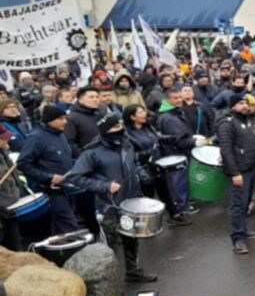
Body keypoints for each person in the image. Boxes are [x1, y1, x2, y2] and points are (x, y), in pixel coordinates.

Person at [68, 114, 158, 282]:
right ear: (105, 131)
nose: (120, 129)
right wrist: (105, 185)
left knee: (132, 239)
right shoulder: (92, 152)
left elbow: (134, 163)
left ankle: (133, 271)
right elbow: (76, 177)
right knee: (110, 245)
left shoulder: (126, 143)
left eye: (120, 126)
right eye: (115, 127)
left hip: (131, 202)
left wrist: (142, 175)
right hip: (109, 206)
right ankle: (110, 281)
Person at [124, 105, 191, 227]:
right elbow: (130, 155)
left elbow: (158, 139)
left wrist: (175, 137)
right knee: (147, 197)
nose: (144, 114)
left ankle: (175, 215)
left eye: (144, 111)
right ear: (132, 116)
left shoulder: (147, 127)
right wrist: (147, 153)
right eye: (140, 112)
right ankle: (143, 225)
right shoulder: (127, 134)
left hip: (158, 165)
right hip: (143, 169)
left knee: (165, 191)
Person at [17, 106, 77, 235]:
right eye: (61, 119)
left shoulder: (60, 134)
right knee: (69, 226)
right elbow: (23, 164)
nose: (65, 121)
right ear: (50, 120)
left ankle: (57, 254)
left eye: (65, 118)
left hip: (67, 187)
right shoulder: (36, 138)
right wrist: (49, 177)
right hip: (51, 191)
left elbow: (65, 158)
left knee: (59, 227)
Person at [217, 94, 255, 254]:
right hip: (239, 171)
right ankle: (237, 238)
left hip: (250, 168)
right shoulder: (226, 123)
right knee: (237, 205)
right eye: (241, 103)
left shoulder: (243, 120)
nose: (245, 106)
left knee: (245, 203)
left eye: (246, 103)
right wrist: (235, 173)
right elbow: (226, 150)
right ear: (233, 105)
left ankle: (243, 229)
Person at [155, 88, 202, 215]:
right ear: (167, 100)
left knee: (181, 181)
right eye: (175, 98)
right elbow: (179, 140)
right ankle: (182, 206)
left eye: (180, 97)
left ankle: (183, 203)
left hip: (178, 153)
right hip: (175, 155)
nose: (179, 100)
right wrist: (195, 142)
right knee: (178, 183)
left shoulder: (175, 113)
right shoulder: (169, 118)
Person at [0, 124, 22, 250]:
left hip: (10, 204)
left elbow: (12, 170)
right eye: (2, 138)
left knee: (14, 243)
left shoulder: (3, 150)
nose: (6, 140)